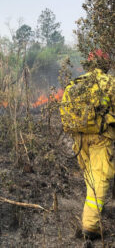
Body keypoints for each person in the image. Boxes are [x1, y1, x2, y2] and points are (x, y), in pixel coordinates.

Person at [64, 49, 115, 240]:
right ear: (105, 64)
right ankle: (91, 227)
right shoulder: (108, 82)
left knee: (90, 178)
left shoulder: (76, 84)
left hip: (79, 139)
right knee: (101, 178)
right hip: (100, 137)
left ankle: (92, 216)